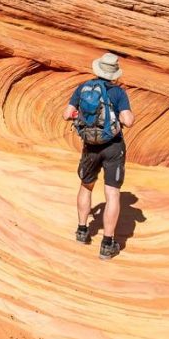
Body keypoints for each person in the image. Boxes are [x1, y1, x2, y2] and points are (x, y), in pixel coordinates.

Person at [65, 52, 134, 260]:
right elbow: (128, 121)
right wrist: (122, 117)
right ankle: (107, 244)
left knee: (86, 187)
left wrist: (81, 116)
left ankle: (82, 231)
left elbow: (66, 114)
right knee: (112, 193)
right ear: (114, 73)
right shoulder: (118, 93)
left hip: (90, 146)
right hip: (113, 146)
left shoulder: (83, 88)